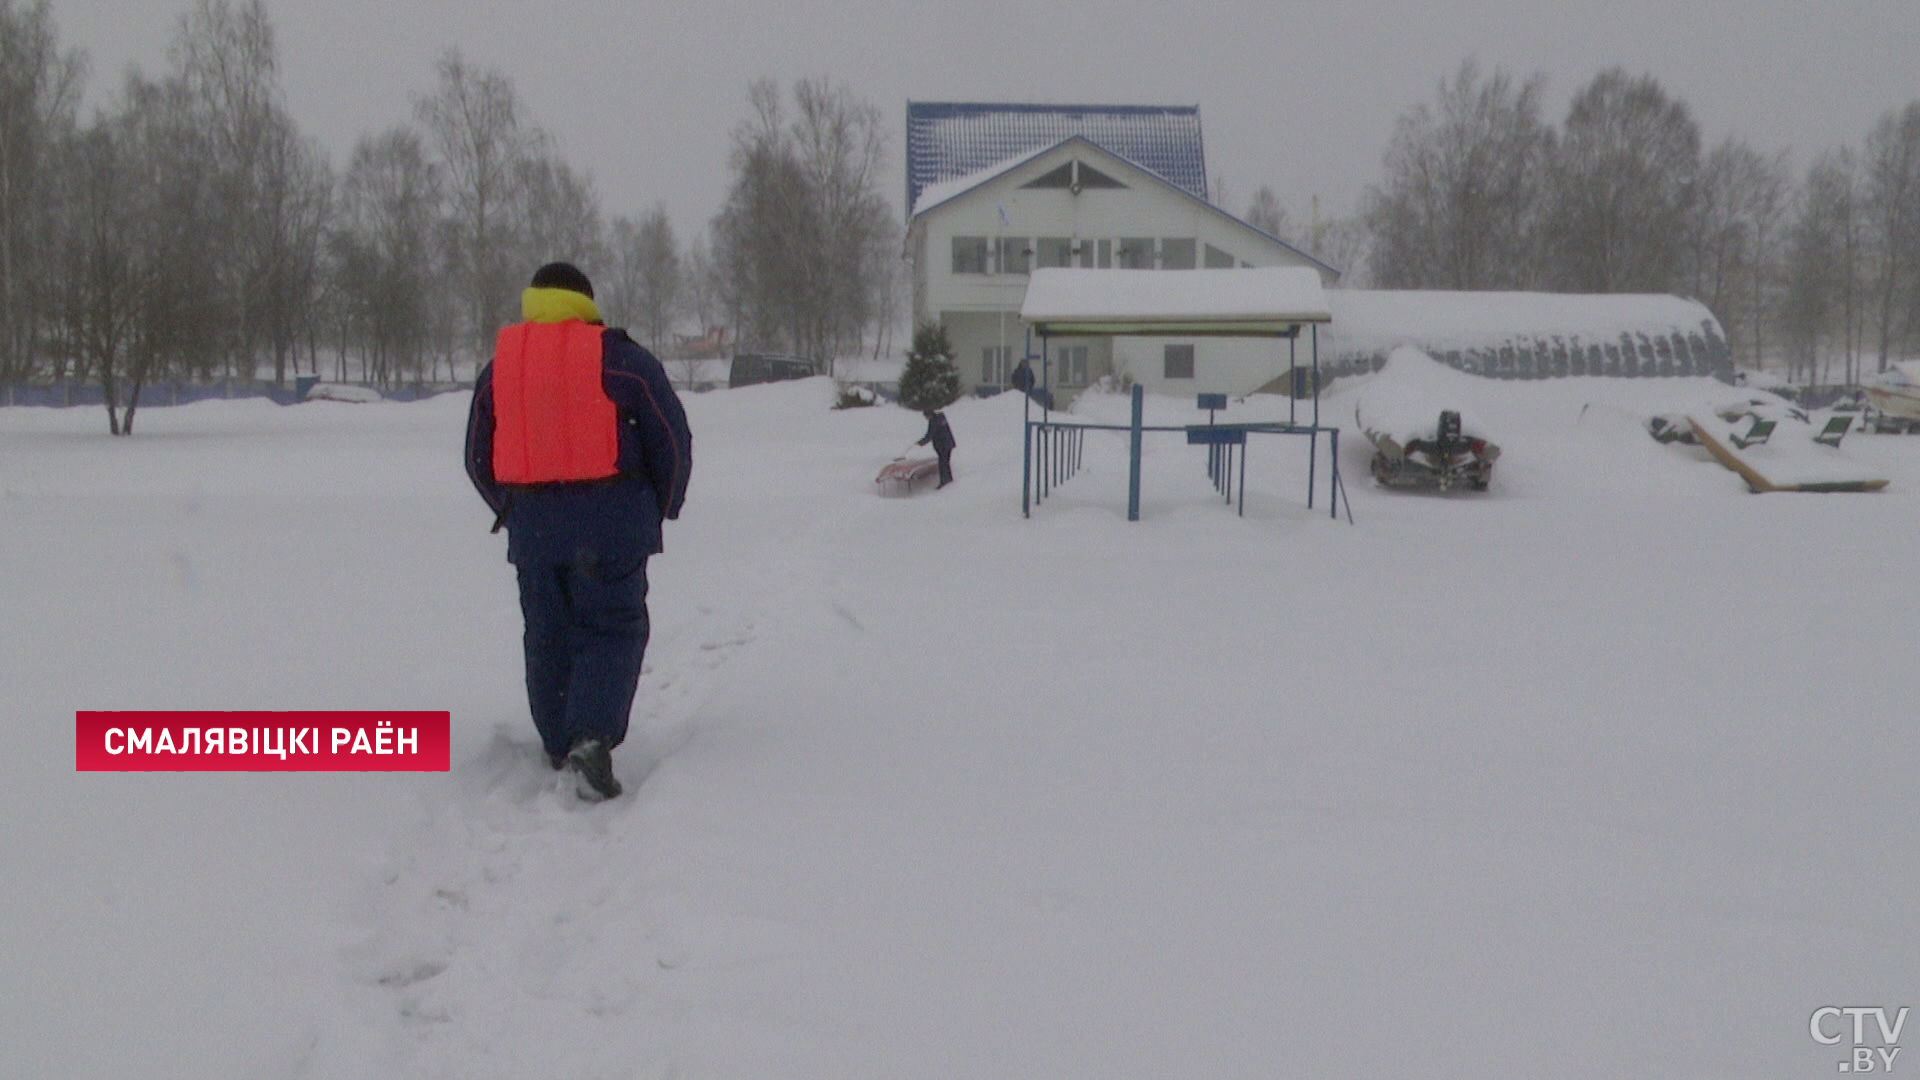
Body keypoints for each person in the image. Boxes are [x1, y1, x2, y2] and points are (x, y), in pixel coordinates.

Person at [465, 262, 692, 801]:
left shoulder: (503, 368)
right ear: (586, 302)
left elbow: (477, 454)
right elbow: (671, 438)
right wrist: (659, 506)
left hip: (535, 532)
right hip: (612, 527)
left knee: (548, 635)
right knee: (611, 628)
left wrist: (513, 508)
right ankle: (590, 737)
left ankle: (557, 738)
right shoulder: (621, 361)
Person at [917, 408, 956, 488]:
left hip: (943, 445)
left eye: (926, 416)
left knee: (942, 464)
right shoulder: (940, 418)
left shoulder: (934, 421)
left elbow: (930, 434)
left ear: (929, 415)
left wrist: (921, 442)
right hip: (948, 444)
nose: (926, 418)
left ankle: (944, 481)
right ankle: (948, 479)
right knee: (945, 462)